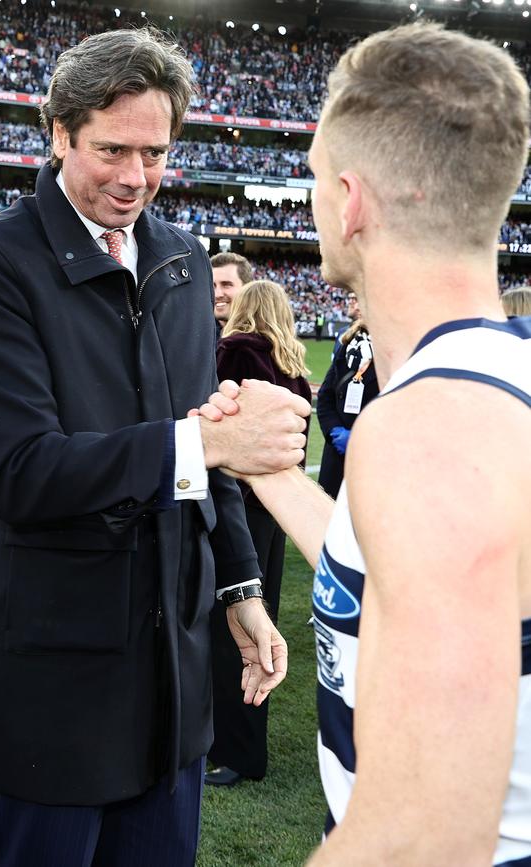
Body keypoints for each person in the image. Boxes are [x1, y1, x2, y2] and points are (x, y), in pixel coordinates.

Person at [0, 28, 309, 867]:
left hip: (176, 680)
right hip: (56, 678)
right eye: (112, 149)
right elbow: (24, 471)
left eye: (155, 152)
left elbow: (203, 446)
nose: (135, 177)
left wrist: (242, 588)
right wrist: (204, 444)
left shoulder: (182, 258)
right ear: (59, 132)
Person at [195, 23, 531, 866]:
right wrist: (267, 466)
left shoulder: (431, 431)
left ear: (349, 200)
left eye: (310, 180)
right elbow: (385, 571)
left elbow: (422, 838)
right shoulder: (483, 383)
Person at [206, 279, 312, 787]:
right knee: (259, 618)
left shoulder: (235, 352)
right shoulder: (291, 363)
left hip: (238, 505)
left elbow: (219, 432)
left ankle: (232, 749)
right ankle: (244, 744)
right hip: (274, 511)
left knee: (231, 627)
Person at [316, 314, 378, 499]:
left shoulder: (399, 355)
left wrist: (364, 439)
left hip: (372, 456)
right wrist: (335, 431)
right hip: (337, 456)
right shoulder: (348, 349)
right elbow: (325, 396)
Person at [211, 251, 253, 337]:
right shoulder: (195, 336)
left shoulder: (266, 339)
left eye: (226, 285)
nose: (217, 294)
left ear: (247, 288)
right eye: (212, 286)